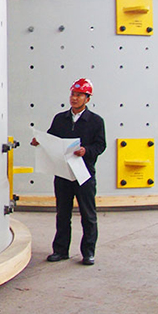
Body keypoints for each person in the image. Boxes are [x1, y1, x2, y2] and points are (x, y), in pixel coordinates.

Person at [31, 78, 106, 266]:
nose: (74, 98)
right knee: (62, 214)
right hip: (63, 173)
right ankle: (60, 250)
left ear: (87, 99)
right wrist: (40, 142)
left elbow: (100, 145)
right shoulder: (60, 119)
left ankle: (88, 252)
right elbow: (51, 139)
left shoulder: (96, 121)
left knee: (88, 215)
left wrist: (86, 151)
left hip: (83, 174)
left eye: (79, 95)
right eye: (73, 94)